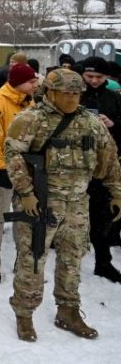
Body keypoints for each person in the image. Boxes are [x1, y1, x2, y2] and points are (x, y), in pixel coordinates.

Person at [5, 69, 121, 341]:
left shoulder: (91, 123)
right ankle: (25, 313)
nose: (71, 98)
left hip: (77, 203)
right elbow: (13, 156)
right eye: (65, 93)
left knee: (73, 258)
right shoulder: (30, 119)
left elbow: (110, 155)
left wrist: (117, 191)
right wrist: (25, 192)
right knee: (32, 259)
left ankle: (68, 311)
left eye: (76, 93)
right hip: (40, 202)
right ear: (50, 93)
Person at [0, 61, 37, 283]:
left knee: (24, 216)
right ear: (19, 82)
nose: (35, 85)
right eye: (31, 82)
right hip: (1, 172)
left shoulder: (31, 105)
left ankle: (22, 260)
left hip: (27, 173)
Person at [78, 57, 121, 282]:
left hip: (103, 167)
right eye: (90, 76)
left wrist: (113, 124)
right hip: (74, 165)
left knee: (102, 217)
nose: (94, 81)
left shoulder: (114, 98)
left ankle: (103, 262)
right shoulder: (74, 95)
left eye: (99, 77)